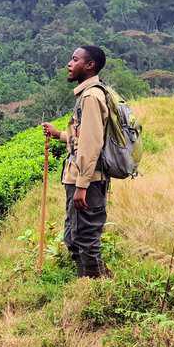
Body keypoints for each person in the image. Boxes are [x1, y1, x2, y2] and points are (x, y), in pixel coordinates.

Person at [42, 45, 112, 278]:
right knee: (74, 235)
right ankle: (87, 280)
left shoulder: (92, 97)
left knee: (86, 236)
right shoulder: (86, 95)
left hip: (88, 180)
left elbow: (92, 144)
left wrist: (82, 185)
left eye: (74, 59)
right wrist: (58, 134)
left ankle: (95, 286)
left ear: (90, 65)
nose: (69, 64)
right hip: (81, 177)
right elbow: (82, 138)